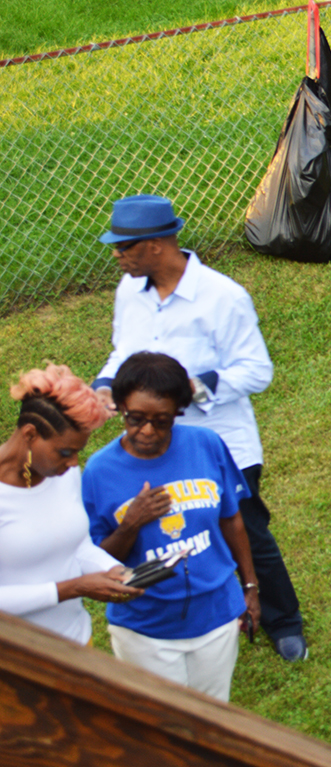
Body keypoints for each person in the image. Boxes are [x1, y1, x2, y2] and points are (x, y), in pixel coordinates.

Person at [92, 194, 307, 662]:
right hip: (150, 444)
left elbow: (257, 370)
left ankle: (283, 621)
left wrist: (191, 390)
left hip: (220, 445)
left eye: (123, 245)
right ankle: (178, 613)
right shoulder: (130, 292)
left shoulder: (222, 297)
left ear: (154, 246)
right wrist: (107, 385)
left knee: (246, 530)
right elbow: (120, 350)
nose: (116, 254)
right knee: (164, 530)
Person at [82, 353, 261, 702]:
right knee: (162, 723)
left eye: (161, 420)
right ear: (119, 408)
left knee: (213, 715)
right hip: (146, 630)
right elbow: (94, 560)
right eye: (136, 418)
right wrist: (131, 524)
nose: (147, 430)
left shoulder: (206, 445)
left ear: (178, 412)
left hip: (216, 616)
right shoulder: (99, 471)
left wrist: (250, 586)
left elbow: (231, 519)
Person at [0, 364, 142, 646]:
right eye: (65, 451)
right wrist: (73, 588)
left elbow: (77, 546)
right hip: (13, 663)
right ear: (30, 434)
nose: (74, 462)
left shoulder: (62, 473)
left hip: (75, 646)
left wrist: (112, 570)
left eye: (78, 452)